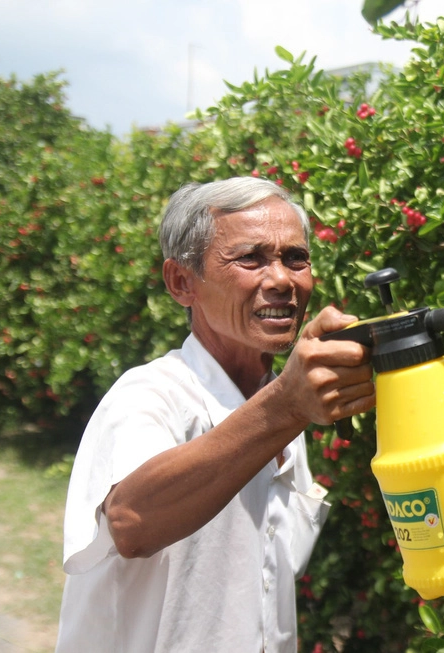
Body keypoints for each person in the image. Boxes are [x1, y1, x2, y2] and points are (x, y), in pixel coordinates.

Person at [55, 177, 375, 652]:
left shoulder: (280, 409)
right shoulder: (150, 395)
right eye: (250, 258)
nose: (283, 280)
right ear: (182, 282)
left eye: (295, 258)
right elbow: (131, 522)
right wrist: (285, 406)